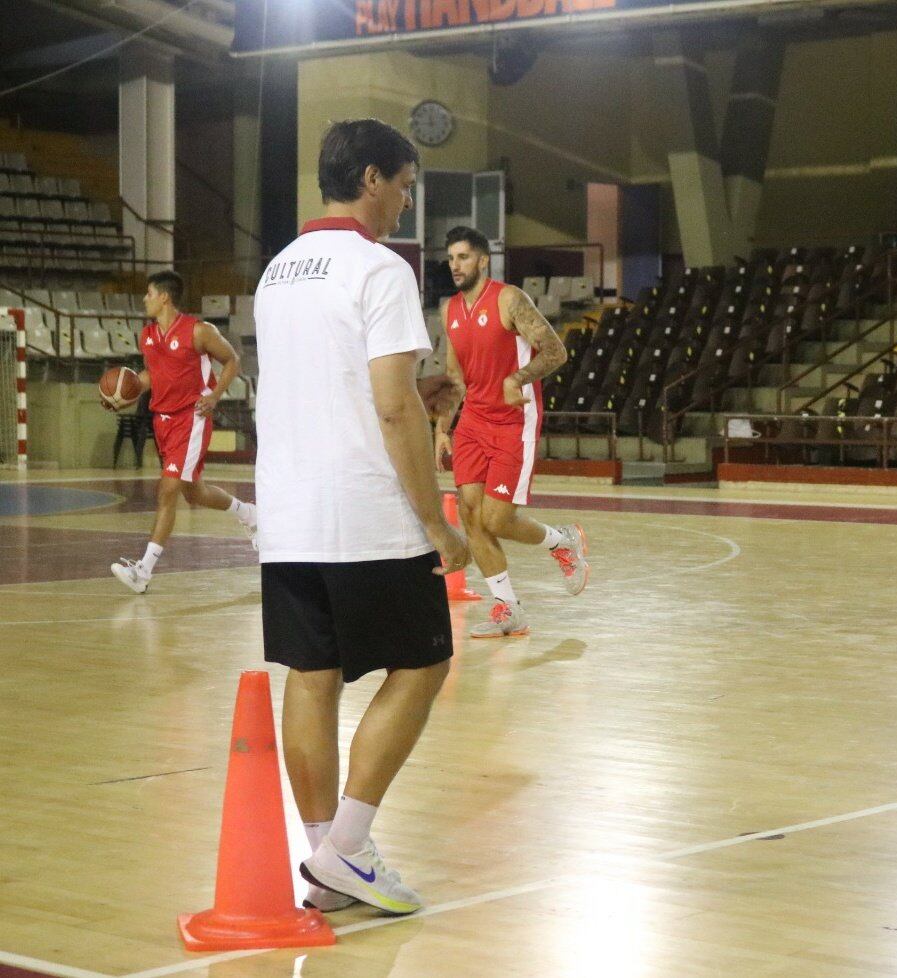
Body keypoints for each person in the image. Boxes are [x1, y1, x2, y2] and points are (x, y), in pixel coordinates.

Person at [253, 118, 471, 916]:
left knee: (310, 677)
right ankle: (347, 846)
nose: (406, 203)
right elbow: (388, 407)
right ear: (372, 177)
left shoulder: (276, 272)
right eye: (406, 185)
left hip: (287, 510)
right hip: (364, 512)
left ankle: (322, 860)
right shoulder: (379, 270)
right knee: (423, 663)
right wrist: (436, 522)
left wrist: (416, 393)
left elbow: (330, 384)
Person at [437, 225, 588, 639]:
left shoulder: (508, 298)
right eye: (451, 258)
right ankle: (508, 608)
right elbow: (453, 376)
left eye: (463, 257)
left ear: (483, 260)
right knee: (470, 514)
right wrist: (442, 426)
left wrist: (517, 377)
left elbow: (557, 350)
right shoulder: (449, 310)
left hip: (513, 419)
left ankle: (562, 541)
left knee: (497, 518)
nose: (455, 265)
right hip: (472, 422)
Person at [105, 270, 257, 593]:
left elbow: (232, 360)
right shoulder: (146, 335)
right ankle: (249, 514)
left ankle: (143, 571)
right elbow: (153, 376)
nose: (144, 299)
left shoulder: (199, 331)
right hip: (162, 419)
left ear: (164, 296)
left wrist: (214, 396)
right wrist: (124, 395)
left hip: (191, 417)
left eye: (148, 293)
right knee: (193, 492)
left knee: (168, 490)